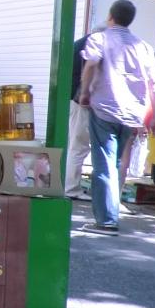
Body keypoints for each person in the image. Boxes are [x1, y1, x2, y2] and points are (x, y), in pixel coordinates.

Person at [79, 0, 155, 234]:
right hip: (132, 113)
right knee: (114, 164)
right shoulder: (143, 46)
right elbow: (154, 84)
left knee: (104, 164)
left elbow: (91, 65)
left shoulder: (100, 39)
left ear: (110, 16)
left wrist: (85, 92)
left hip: (105, 108)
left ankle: (106, 221)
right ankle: (110, 213)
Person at [64, 31, 95, 200]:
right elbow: (89, 71)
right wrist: (85, 95)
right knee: (79, 146)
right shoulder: (92, 44)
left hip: (71, 99)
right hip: (80, 102)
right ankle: (71, 188)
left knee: (73, 144)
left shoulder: (79, 44)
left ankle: (67, 185)